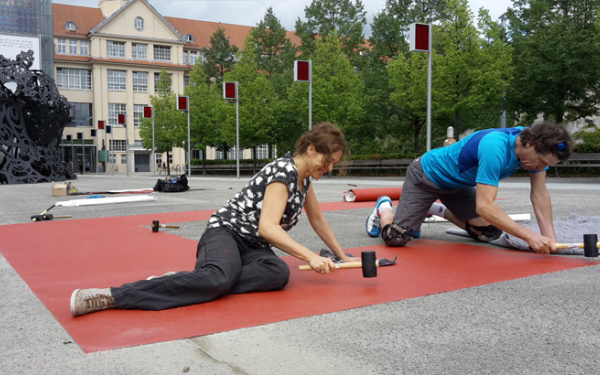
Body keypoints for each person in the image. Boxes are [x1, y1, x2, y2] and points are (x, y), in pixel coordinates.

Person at [70, 122, 360, 316]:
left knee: (278, 274)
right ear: (311, 150)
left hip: (253, 247)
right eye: (329, 160)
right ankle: (112, 296)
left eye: (334, 163)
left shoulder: (304, 179)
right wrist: (311, 256)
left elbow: (318, 220)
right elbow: (268, 228)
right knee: (219, 277)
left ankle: (193, 281)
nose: (331, 168)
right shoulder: (283, 173)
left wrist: (340, 256)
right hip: (226, 234)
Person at [365, 121, 574, 254]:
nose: (541, 168)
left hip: (457, 187)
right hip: (426, 177)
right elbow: (485, 206)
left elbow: (539, 195)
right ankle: (383, 209)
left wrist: (550, 241)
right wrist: (530, 236)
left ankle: (435, 209)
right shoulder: (496, 148)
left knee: (487, 233)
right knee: (397, 238)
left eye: (547, 166)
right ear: (530, 145)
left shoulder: (536, 149)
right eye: (540, 162)